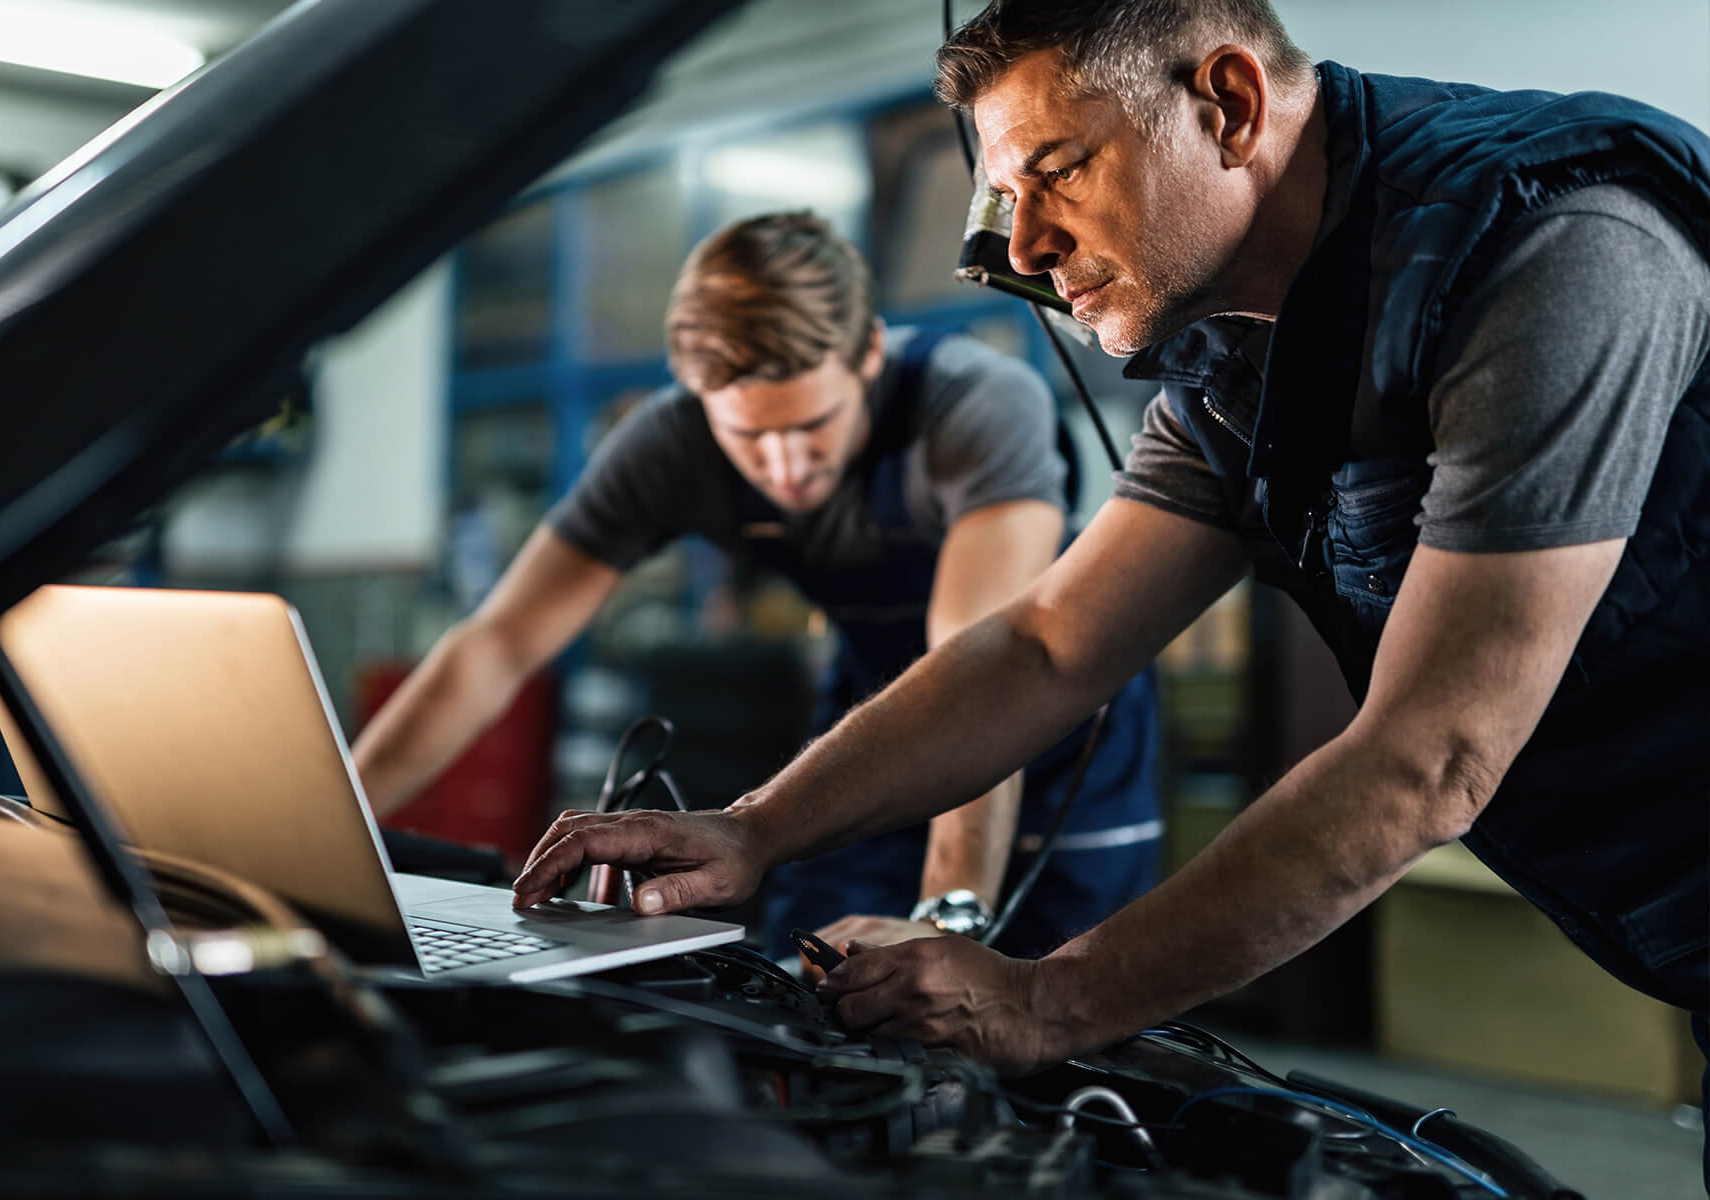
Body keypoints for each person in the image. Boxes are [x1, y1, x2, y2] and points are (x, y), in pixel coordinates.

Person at [510, 0, 1710, 1174]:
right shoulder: (1233, 361)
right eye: (1004, 195)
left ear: (1228, 104)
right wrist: (753, 828)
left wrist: (1047, 1001)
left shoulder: (1555, 248)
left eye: (1060, 170)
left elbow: (1433, 753)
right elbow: (1046, 646)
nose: (1020, 247)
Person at [354, 210, 1164, 962]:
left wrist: (941, 919)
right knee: (809, 991)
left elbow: (988, 668)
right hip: (874, 718)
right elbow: (494, 646)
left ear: (868, 357)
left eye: (811, 427)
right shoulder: (669, 444)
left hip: (1053, 729)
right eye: (749, 438)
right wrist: (330, 830)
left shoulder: (976, 406)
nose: (783, 467)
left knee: (1048, 1013)